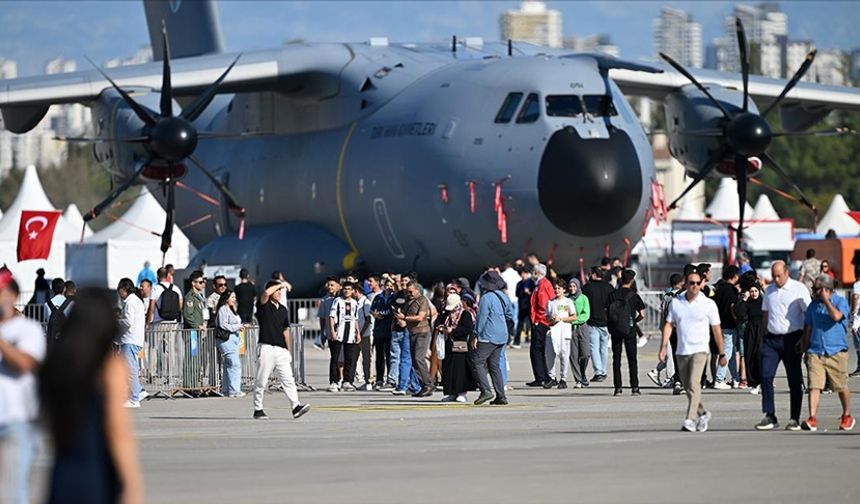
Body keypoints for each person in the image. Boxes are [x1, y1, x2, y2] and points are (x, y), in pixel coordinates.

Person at [39, 289, 144, 504]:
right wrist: (132, 484)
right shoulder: (109, 367)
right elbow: (117, 430)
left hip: (63, 471)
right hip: (97, 471)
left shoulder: (57, 365)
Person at [659, 270, 727, 432]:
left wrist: (722, 352)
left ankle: (690, 419)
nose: (694, 286)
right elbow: (669, 325)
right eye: (691, 283)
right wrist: (663, 347)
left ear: (701, 284)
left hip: (700, 350)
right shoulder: (677, 303)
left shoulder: (708, 304)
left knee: (694, 383)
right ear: (685, 284)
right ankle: (703, 412)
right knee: (688, 386)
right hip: (682, 350)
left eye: (697, 283)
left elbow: (717, 329)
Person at [0, 271, 47, 504]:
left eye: (3, 292)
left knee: (11, 492)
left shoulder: (28, 329)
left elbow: (24, 364)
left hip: (17, 421)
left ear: (14, 295)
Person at [756, 260, 811, 431]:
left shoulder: (798, 289)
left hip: (792, 338)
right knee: (765, 375)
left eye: (778, 275)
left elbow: (808, 315)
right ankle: (769, 414)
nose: (776, 279)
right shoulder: (770, 291)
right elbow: (765, 315)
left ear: (787, 272)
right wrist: (761, 338)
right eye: (773, 276)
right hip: (771, 340)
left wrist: (805, 340)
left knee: (794, 380)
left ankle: (794, 417)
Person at [799, 275, 854, 431]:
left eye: (816, 289)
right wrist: (803, 347)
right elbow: (808, 328)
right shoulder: (812, 306)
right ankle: (812, 418)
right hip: (815, 351)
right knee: (814, 385)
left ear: (826, 290)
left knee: (840, 385)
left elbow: (836, 316)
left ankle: (847, 415)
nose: (813, 291)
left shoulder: (840, 302)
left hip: (836, 351)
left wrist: (826, 301)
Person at [252, 280, 310, 420]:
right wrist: (281, 284)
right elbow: (266, 293)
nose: (279, 293)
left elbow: (286, 330)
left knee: (288, 379)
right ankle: (258, 408)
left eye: (280, 291)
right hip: (266, 346)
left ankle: (295, 406)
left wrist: (288, 350)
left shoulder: (283, 309)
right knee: (262, 380)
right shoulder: (263, 305)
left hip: (280, 349)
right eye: (276, 291)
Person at [472, 271, 516, 405]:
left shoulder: (486, 298)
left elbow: (481, 318)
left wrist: (475, 334)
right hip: (502, 335)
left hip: (488, 335)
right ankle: (501, 396)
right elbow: (510, 314)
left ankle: (485, 390)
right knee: (494, 365)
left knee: (477, 361)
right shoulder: (503, 296)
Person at [607, 269, 646, 396]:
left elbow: (606, 312)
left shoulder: (613, 294)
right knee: (632, 359)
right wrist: (634, 321)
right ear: (632, 281)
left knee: (616, 359)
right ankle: (635, 387)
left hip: (616, 329)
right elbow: (642, 314)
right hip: (630, 329)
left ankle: (618, 388)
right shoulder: (634, 296)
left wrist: (612, 323)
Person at [397, 281, 434, 397]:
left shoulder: (422, 300)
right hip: (411, 332)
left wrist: (405, 318)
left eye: (411, 291)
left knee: (419, 358)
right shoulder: (408, 301)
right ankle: (423, 385)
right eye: (407, 292)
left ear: (417, 290)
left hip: (422, 332)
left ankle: (429, 384)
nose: (409, 294)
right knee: (414, 360)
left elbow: (420, 317)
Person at [648, 274, 683, 390]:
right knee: (671, 356)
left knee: (670, 354)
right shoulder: (681, 296)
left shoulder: (666, 296)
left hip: (665, 327)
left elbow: (662, 311)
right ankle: (669, 378)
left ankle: (658, 372)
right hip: (674, 329)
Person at [439, 293, 477, 403]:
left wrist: (454, 331)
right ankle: (451, 392)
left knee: (460, 370)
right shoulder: (446, 314)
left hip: (461, 345)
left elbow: (467, 329)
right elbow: (440, 321)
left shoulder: (465, 314)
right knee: (448, 369)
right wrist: (442, 327)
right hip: (449, 344)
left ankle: (462, 392)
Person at [116, 278, 146, 408]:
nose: (119, 293)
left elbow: (128, 321)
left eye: (119, 290)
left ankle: (134, 398)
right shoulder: (135, 301)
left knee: (131, 368)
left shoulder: (130, 303)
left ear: (124, 289)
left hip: (130, 340)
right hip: (136, 339)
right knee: (133, 367)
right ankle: (139, 391)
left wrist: (117, 321)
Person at [328, 282, 362, 392]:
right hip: (339, 332)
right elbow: (332, 317)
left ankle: (347, 381)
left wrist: (358, 333)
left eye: (349, 289)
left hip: (351, 333)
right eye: (345, 289)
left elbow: (355, 319)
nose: (346, 291)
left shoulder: (355, 303)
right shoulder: (337, 301)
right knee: (336, 357)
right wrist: (332, 331)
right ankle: (334, 381)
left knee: (350, 358)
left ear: (353, 291)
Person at [583, 266, 613, 382]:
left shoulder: (587, 288)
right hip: (606, 321)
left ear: (594, 274)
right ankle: (603, 370)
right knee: (604, 348)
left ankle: (598, 371)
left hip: (592, 321)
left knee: (593, 347)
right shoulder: (609, 287)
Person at [713, 265, 740, 389]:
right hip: (729, 324)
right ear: (734, 277)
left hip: (719, 324)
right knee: (728, 352)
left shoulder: (718, 289)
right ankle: (719, 379)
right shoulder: (732, 290)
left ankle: (736, 378)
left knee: (732, 353)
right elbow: (733, 307)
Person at [527, 263, 554, 387]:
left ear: (537, 273)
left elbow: (543, 305)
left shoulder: (542, 285)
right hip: (541, 321)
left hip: (540, 321)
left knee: (536, 350)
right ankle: (542, 376)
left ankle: (542, 377)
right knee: (538, 349)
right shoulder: (541, 284)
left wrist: (538, 320)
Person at [215, 289, 246, 398]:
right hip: (226, 339)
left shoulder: (232, 309)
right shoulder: (223, 309)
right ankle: (234, 390)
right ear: (226, 298)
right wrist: (237, 326)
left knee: (229, 365)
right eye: (232, 297)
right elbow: (223, 324)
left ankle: (226, 389)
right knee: (234, 364)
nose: (234, 299)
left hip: (234, 339)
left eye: (234, 297)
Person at [545, 282, 576, 389]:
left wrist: (561, 319)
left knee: (564, 355)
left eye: (559, 288)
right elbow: (547, 318)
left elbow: (574, 317)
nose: (557, 290)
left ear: (564, 290)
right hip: (552, 332)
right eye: (555, 288)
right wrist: (551, 319)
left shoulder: (568, 302)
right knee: (549, 355)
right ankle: (552, 378)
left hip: (564, 332)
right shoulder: (550, 302)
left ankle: (563, 378)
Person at [736, 283, 765, 394]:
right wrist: (744, 299)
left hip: (762, 331)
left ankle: (763, 382)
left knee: (760, 357)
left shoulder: (764, 302)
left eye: (756, 291)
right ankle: (754, 384)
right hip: (751, 331)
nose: (754, 294)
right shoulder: (747, 303)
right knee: (750, 356)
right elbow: (740, 314)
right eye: (751, 291)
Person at [371, 278, 395, 389]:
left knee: (390, 356)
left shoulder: (394, 297)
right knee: (379, 357)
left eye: (391, 285)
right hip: (379, 330)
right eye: (387, 285)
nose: (389, 287)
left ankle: (391, 378)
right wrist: (375, 314)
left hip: (390, 330)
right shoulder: (378, 297)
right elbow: (372, 310)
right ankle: (379, 379)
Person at [568, 278, 591, 388]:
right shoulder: (567, 300)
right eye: (570, 286)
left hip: (582, 327)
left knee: (585, 354)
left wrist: (573, 320)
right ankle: (578, 379)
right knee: (573, 355)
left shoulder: (584, 298)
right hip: (570, 329)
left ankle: (583, 373)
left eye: (574, 286)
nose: (572, 289)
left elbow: (585, 314)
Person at [45, 277, 73, 342]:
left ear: (52, 289)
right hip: (66, 339)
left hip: (52, 340)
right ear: (64, 289)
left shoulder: (47, 304)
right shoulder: (71, 303)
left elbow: (46, 319)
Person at [316, 277, 340, 350]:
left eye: (332, 285)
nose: (330, 287)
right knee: (334, 357)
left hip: (342, 333)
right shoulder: (324, 300)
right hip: (331, 334)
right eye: (329, 285)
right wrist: (322, 333)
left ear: (338, 286)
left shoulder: (342, 299)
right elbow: (322, 318)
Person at [514, 268, 533, 348]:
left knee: (531, 324)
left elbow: (534, 294)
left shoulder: (531, 283)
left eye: (525, 274)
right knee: (520, 324)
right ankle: (516, 341)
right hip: (522, 307)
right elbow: (517, 294)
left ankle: (532, 339)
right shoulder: (519, 284)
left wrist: (528, 292)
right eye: (522, 274)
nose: (523, 276)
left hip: (529, 306)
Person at [850, 264, 860, 378]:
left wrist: (852, 311)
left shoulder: (857, 284)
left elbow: (855, 297)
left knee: (858, 344)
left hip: (858, 320)